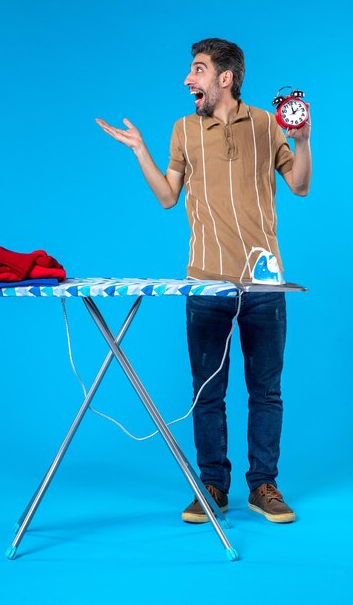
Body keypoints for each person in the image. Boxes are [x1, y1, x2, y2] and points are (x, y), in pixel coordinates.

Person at [95, 38, 311, 524]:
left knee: (266, 390)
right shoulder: (183, 130)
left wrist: (302, 139)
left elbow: (299, 185)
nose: (188, 79)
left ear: (225, 78)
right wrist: (140, 151)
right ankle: (212, 485)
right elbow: (169, 197)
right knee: (207, 392)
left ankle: (264, 487)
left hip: (264, 284)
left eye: (198, 70)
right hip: (205, 283)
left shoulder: (264, 124)